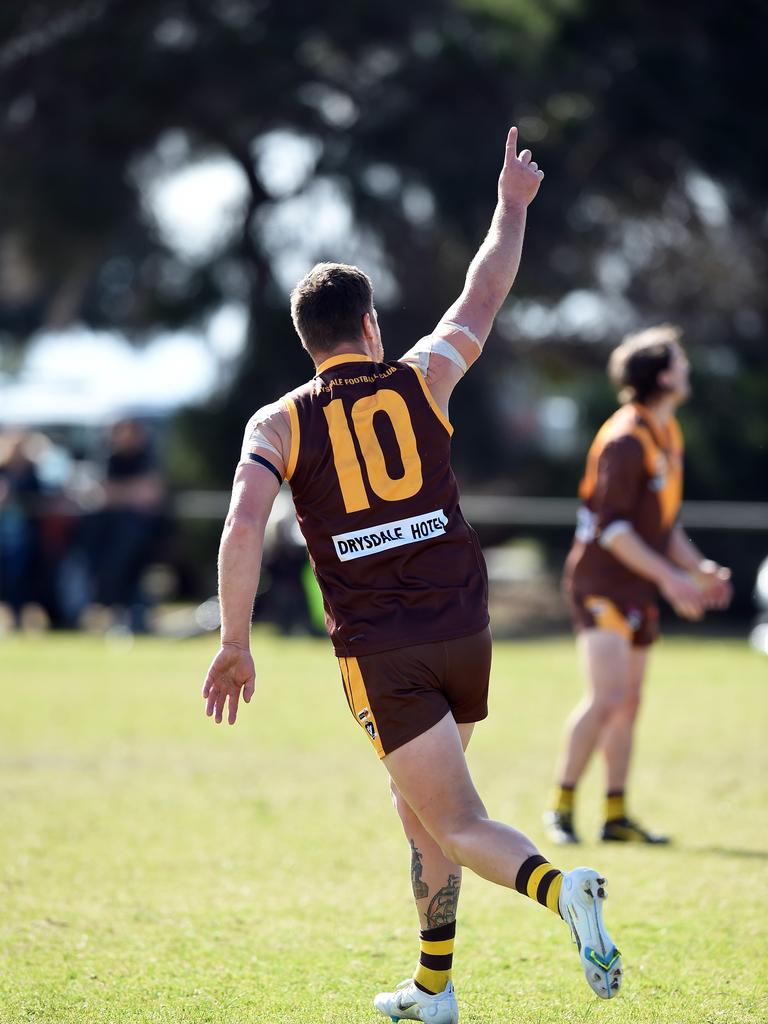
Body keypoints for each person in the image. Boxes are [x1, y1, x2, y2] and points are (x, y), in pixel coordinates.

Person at [203, 128, 623, 1023]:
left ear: (304, 339)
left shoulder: (277, 422)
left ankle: (562, 891)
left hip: (382, 650)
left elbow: (244, 523)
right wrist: (510, 209)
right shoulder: (424, 373)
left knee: (459, 821)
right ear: (369, 327)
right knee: (420, 807)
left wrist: (234, 641)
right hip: (465, 633)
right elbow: (484, 293)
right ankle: (433, 991)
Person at [545, 326, 733, 846]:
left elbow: (662, 524)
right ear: (663, 375)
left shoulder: (666, 433)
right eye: (680, 360)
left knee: (628, 702)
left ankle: (615, 816)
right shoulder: (625, 439)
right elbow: (614, 528)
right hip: (600, 583)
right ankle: (560, 809)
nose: (688, 368)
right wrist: (674, 579)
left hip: (637, 587)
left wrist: (699, 569)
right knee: (606, 698)